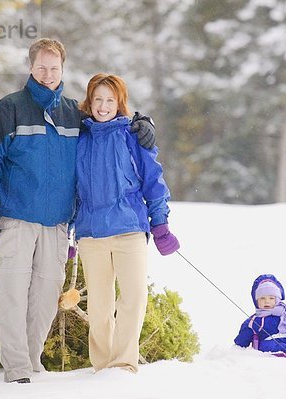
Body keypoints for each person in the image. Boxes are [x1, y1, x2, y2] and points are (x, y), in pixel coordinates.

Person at [0, 38, 156, 384]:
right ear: (30, 67)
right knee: (13, 293)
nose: (47, 74)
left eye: (53, 68)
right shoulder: (9, 108)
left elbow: (109, 117)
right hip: (16, 217)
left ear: (62, 70)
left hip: (56, 222)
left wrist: (142, 121)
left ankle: (32, 361)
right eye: (41, 66)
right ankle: (16, 369)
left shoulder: (74, 113)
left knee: (44, 298)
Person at [74, 73, 180, 374]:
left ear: (120, 103)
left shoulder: (134, 135)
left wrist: (160, 225)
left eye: (110, 100)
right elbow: (72, 189)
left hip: (129, 229)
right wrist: (68, 235)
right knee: (98, 306)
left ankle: (122, 366)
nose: (104, 106)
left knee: (133, 297)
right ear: (89, 102)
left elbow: (154, 181)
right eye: (98, 99)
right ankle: (102, 366)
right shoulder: (79, 139)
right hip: (91, 234)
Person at [234, 274, 286, 354]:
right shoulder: (254, 320)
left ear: (278, 299)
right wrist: (239, 345)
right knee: (267, 345)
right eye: (262, 298)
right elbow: (244, 335)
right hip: (270, 340)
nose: (267, 301)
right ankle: (281, 350)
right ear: (256, 302)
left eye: (271, 298)